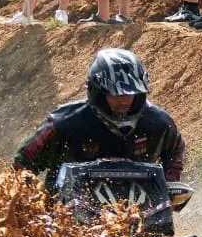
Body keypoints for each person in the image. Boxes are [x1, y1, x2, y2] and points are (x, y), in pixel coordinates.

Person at [13, 47, 185, 190]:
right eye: (115, 94)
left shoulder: (158, 123)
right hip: (65, 216)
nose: (123, 100)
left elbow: (175, 151)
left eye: (130, 93)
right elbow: (22, 163)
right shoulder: (64, 123)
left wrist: (169, 184)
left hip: (139, 213)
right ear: (98, 92)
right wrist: (30, 198)